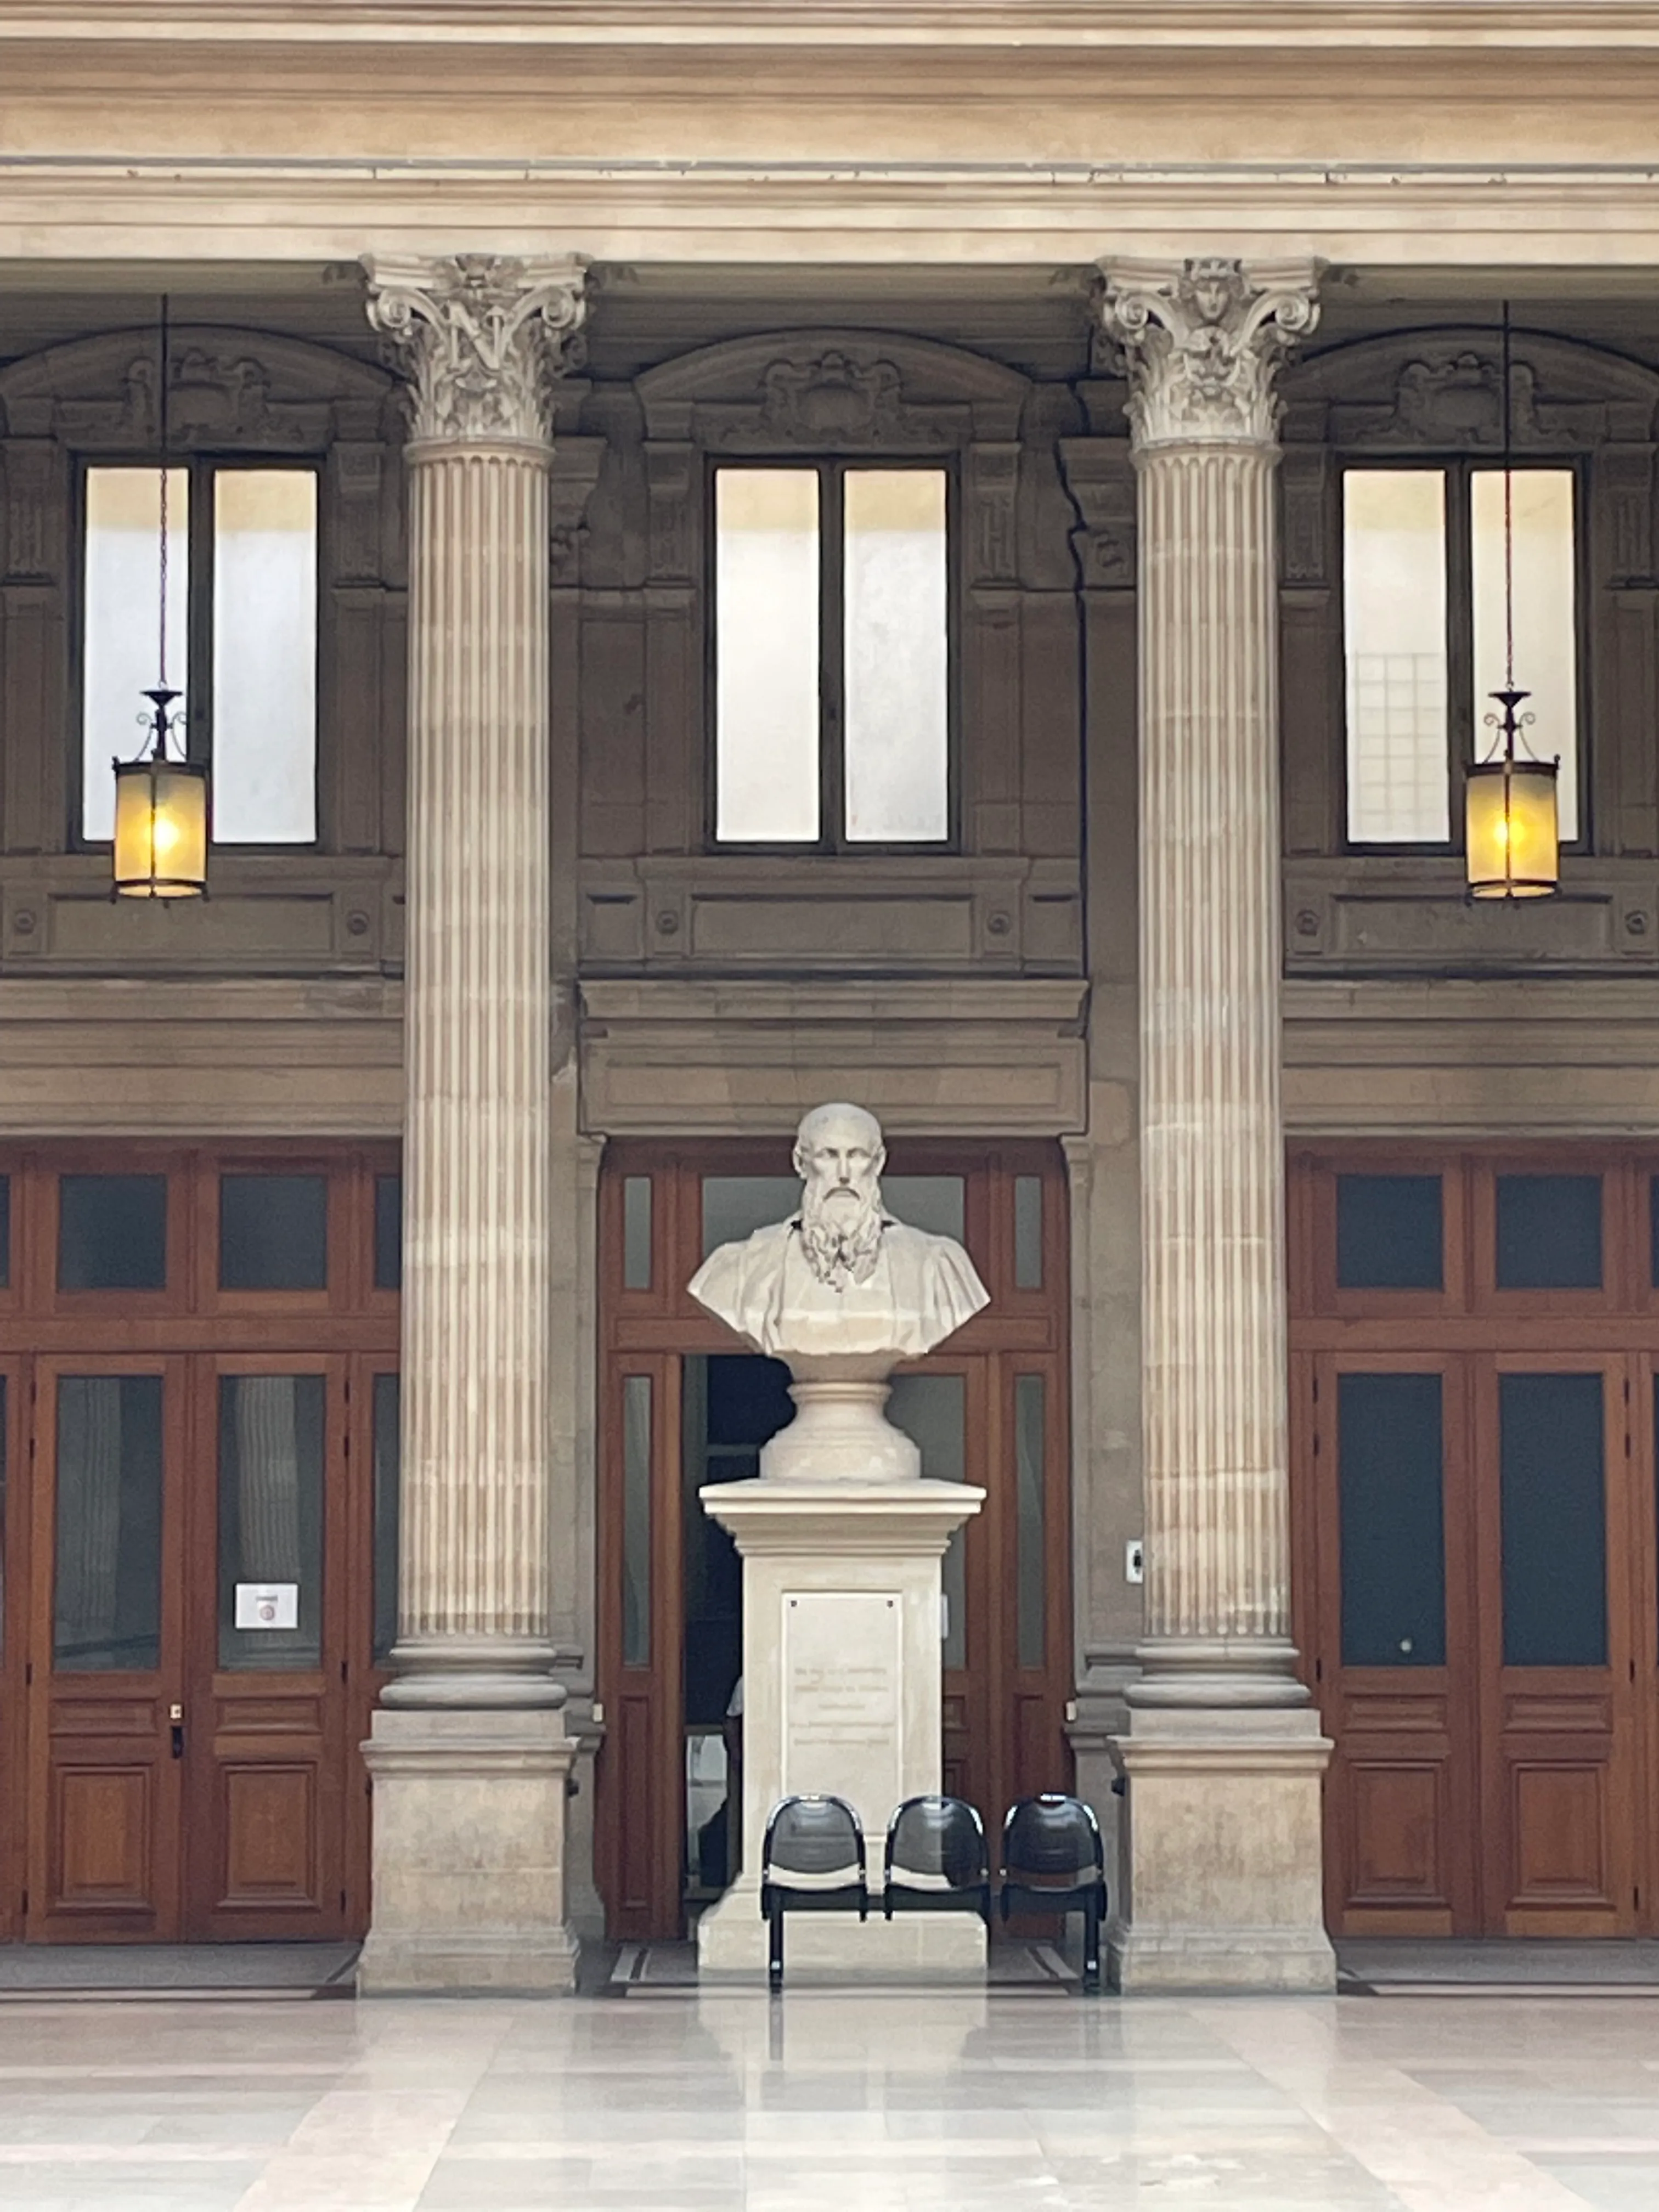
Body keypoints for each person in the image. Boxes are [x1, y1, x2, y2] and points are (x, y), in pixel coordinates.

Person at [688, 1101, 988, 1362]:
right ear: (800, 1163)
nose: (844, 1174)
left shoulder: (938, 1265)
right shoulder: (741, 1266)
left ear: (878, 1162)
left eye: (857, 1156)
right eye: (828, 1156)